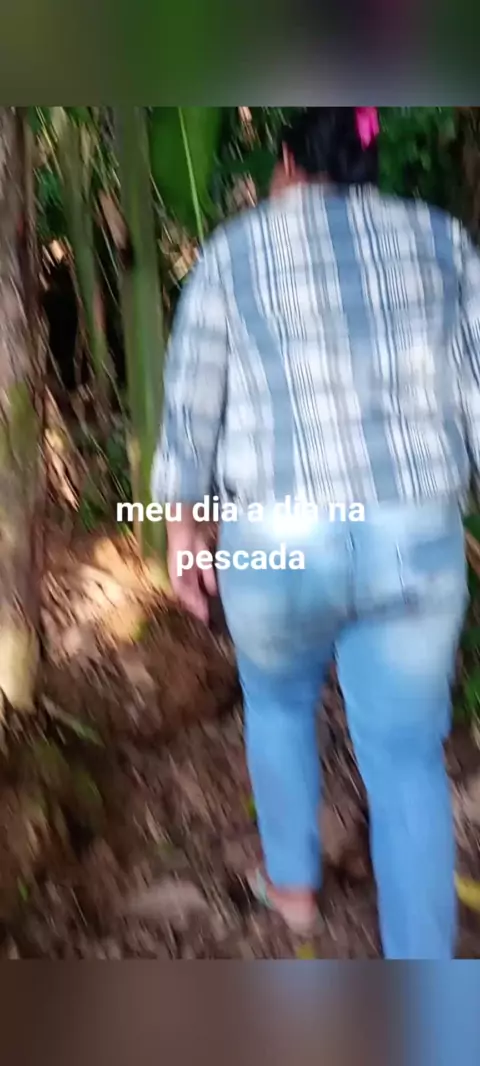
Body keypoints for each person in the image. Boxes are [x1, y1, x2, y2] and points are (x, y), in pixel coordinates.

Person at [151, 107, 480, 959]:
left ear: (290, 162)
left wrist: (183, 531)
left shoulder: (234, 255)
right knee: (408, 763)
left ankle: (293, 893)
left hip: (276, 540)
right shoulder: (443, 244)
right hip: (414, 538)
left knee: (277, 700)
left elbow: (190, 411)